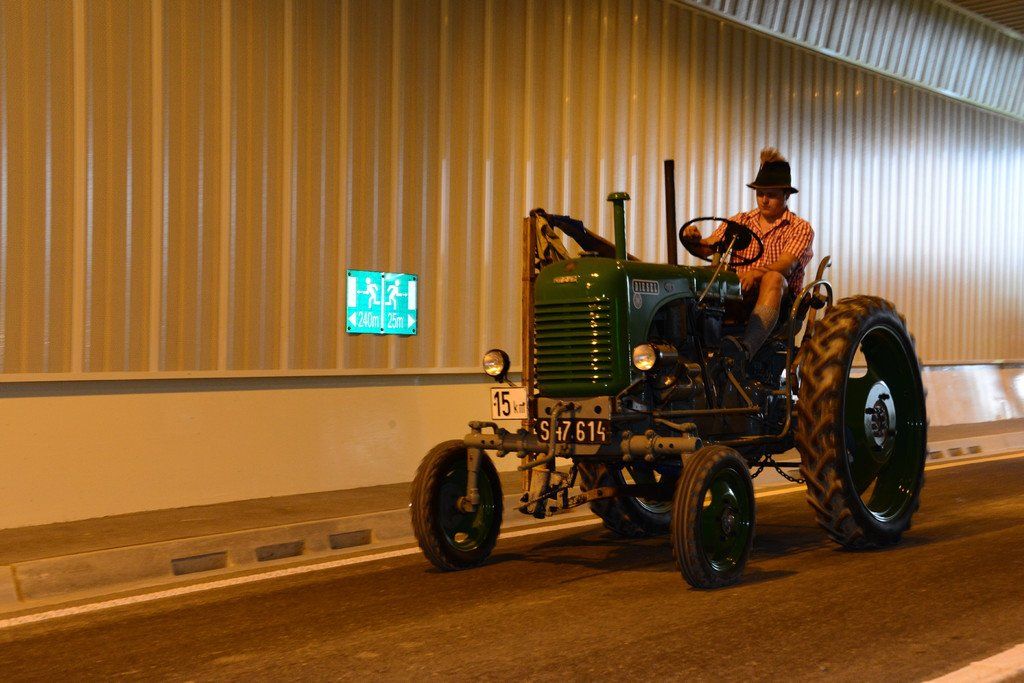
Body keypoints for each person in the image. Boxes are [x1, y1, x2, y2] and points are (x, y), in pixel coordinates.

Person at [682, 147, 814, 365]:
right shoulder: (741, 222)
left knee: (773, 277)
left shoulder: (799, 228)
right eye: (760, 194)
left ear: (786, 195)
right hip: (738, 298)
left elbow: (786, 265)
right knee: (698, 277)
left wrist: (755, 274)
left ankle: (744, 352)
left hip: (781, 306)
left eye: (771, 195)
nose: (764, 200)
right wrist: (694, 240)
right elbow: (708, 247)